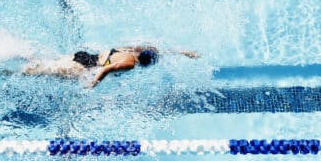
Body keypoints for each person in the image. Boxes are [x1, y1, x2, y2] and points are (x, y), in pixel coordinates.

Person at [18, 46, 199, 88]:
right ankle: (10, 70)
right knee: (39, 72)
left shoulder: (133, 50)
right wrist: (93, 84)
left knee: (47, 64)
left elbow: (160, 51)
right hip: (81, 67)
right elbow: (106, 69)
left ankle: (20, 53)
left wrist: (184, 53)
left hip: (83, 56)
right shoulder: (130, 63)